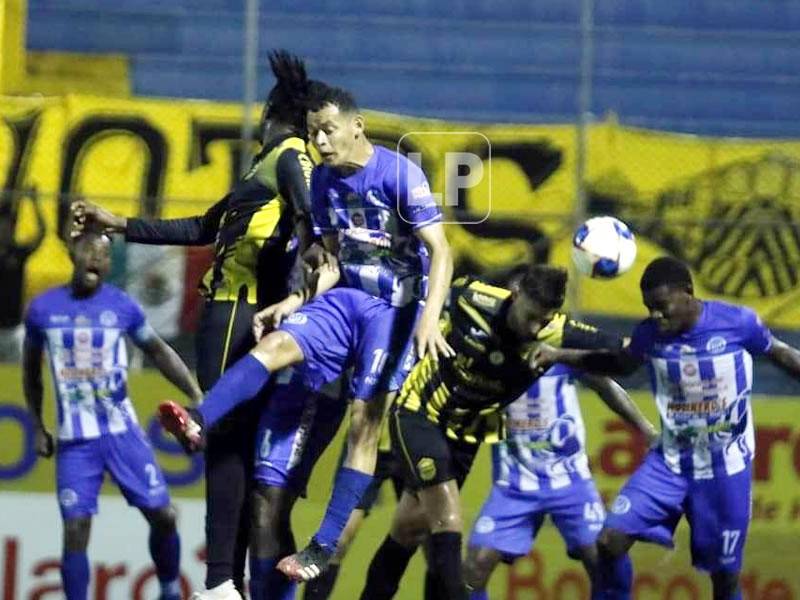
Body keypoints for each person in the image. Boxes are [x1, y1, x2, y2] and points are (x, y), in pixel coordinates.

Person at [159, 81, 453, 585]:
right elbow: (333, 261)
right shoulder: (323, 182)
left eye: (328, 130)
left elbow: (442, 251)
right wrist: (294, 302)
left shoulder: (400, 174)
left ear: (357, 126)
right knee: (274, 344)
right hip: (346, 298)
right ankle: (198, 419)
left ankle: (323, 545)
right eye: (314, 132)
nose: (319, 141)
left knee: (364, 422)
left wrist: (428, 318)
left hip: (394, 309)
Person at [71, 51, 318, 600]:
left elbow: (309, 213)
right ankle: (237, 581)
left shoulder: (288, 155)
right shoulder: (263, 170)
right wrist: (118, 222)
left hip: (239, 308)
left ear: (270, 115)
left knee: (225, 441)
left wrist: (307, 267)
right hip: (241, 308)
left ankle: (220, 580)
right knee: (241, 451)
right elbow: (202, 227)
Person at [358, 265, 653, 600]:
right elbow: (430, 294)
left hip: (465, 436)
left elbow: (625, 358)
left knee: (409, 529)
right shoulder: (472, 297)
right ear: (515, 296)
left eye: (543, 320)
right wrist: (426, 324)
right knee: (448, 519)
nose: (535, 328)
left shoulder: (554, 333)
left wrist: (563, 354)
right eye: (530, 316)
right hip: (420, 414)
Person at [530, 256, 800, 600]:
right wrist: (558, 355)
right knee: (609, 542)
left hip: (724, 470)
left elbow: (781, 353)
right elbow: (619, 364)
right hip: (669, 464)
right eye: (649, 308)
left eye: (661, 306)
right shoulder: (649, 334)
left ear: (687, 292)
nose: (656, 315)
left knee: (725, 579)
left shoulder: (737, 322)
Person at [22, 231, 203, 600]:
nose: (95, 257)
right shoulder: (43, 310)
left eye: (103, 254)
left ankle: (169, 589)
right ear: (72, 252)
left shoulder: (122, 306)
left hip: (122, 432)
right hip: (76, 441)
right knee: (75, 530)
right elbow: (30, 372)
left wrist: (197, 395)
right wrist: (38, 425)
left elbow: (158, 351)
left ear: (108, 264)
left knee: (165, 516)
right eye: (88, 249)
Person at [463, 363, 657, 599]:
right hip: (513, 485)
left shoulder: (562, 351)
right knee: (474, 568)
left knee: (603, 557)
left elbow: (604, 384)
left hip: (571, 481)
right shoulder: (492, 356)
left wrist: (646, 430)